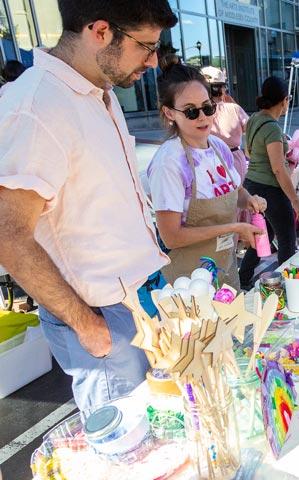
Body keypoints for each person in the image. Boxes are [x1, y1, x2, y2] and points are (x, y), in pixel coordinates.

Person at [0, 1, 177, 411]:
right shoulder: (35, 105)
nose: (153, 63)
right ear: (100, 32)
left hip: (141, 294)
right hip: (101, 313)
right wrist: (86, 324)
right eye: (146, 47)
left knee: (169, 426)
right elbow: (9, 236)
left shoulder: (101, 91)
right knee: (131, 451)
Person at [147, 57, 266, 290]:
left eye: (208, 107)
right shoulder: (170, 162)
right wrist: (233, 228)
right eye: (191, 112)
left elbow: (236, 190)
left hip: (226, 271)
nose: (203, 117)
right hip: (188, 285)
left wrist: (249, 200)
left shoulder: (218, 147)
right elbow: (171, 236)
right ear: (170, 113)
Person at [238, 76, 299, 290]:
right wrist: (296, 202)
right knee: (287, 239)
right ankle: (289, 285)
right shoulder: (273, 129)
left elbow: (249, 152)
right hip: (270, 189)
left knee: (263, 235)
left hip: (252, 183)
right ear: (284, 100)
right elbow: (278, 169)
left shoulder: (254, 119)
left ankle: (243, 277)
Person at [201, 65, 251, 225]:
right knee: (237, 198)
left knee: (217, 202)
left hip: (207, 158)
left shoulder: (200, 112)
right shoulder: (233, 109)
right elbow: (248, 128)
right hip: (234, 157)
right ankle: (237, 236)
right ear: (222, 88)